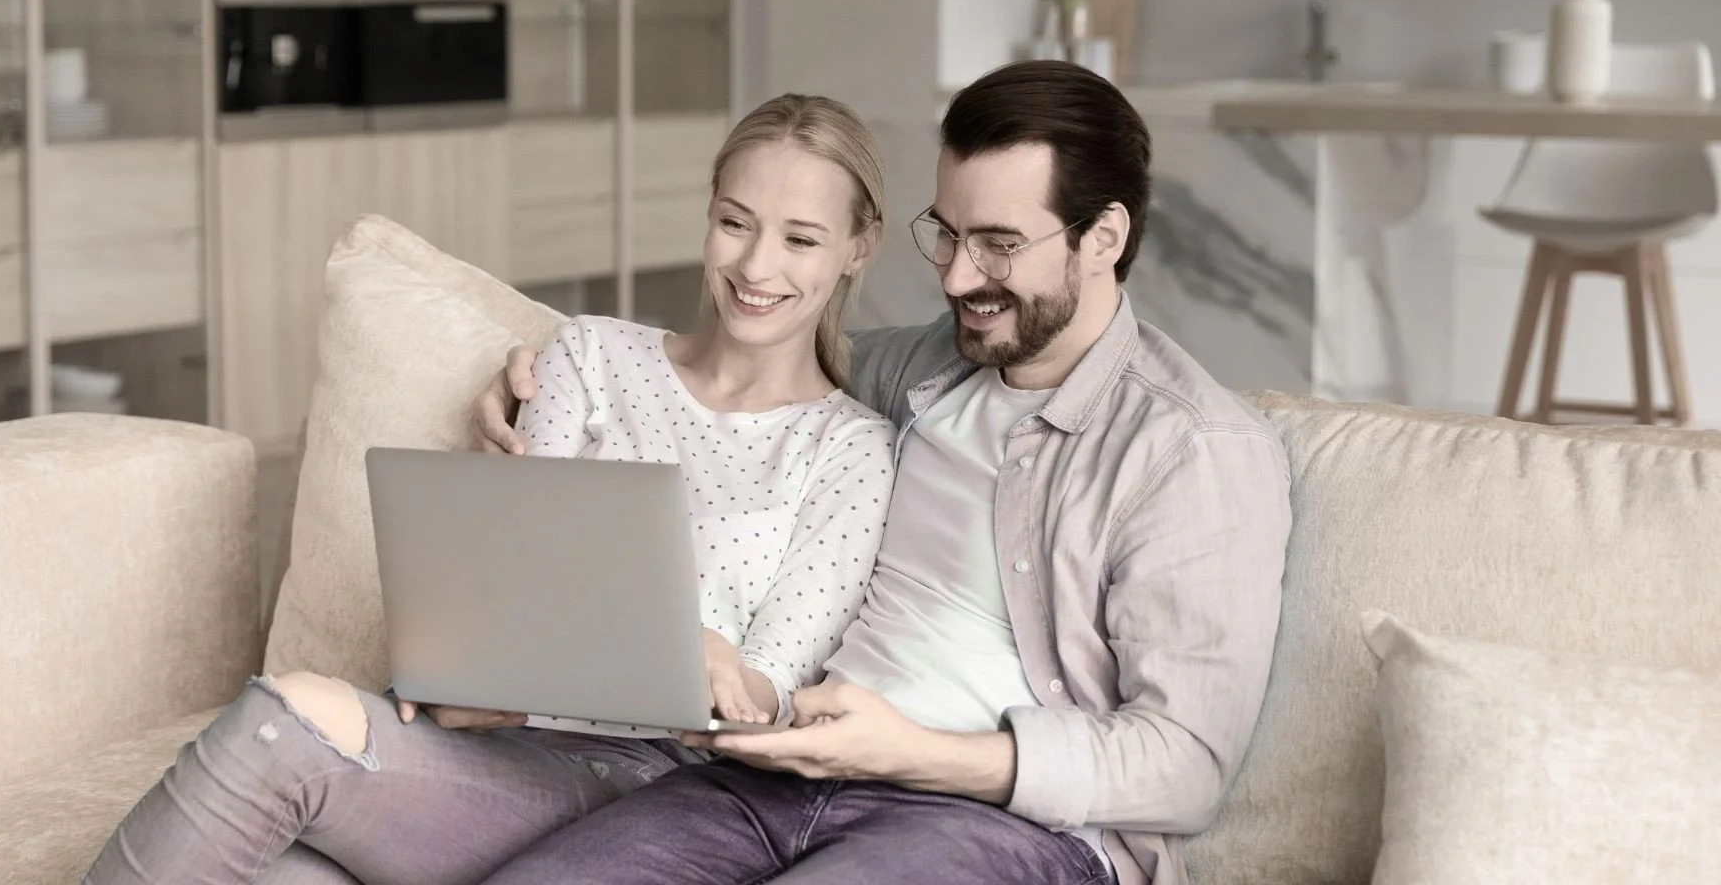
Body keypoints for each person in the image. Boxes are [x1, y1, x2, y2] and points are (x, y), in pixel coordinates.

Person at [469, 60, 1296, 885]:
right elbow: (738, 364)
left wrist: (918, 755)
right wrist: (535, 370)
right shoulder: (913, 371)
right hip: (769, 780)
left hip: (996, 826)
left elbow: (1185, 766)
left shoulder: (1193, 450)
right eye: (947, 232)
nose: (958, 276)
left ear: (1103, 238)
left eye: (999, 245)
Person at [81, 93, 897, 885]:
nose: (757, 266)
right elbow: (514, 573)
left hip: (648, 795)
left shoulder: (850, 452)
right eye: (735, 223)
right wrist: (467, 675)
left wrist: (706, 662)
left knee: (288, 719)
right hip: (477, 742)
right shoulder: (592, 356)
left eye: (801, 239)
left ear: (858, 249)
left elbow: (770, 700)